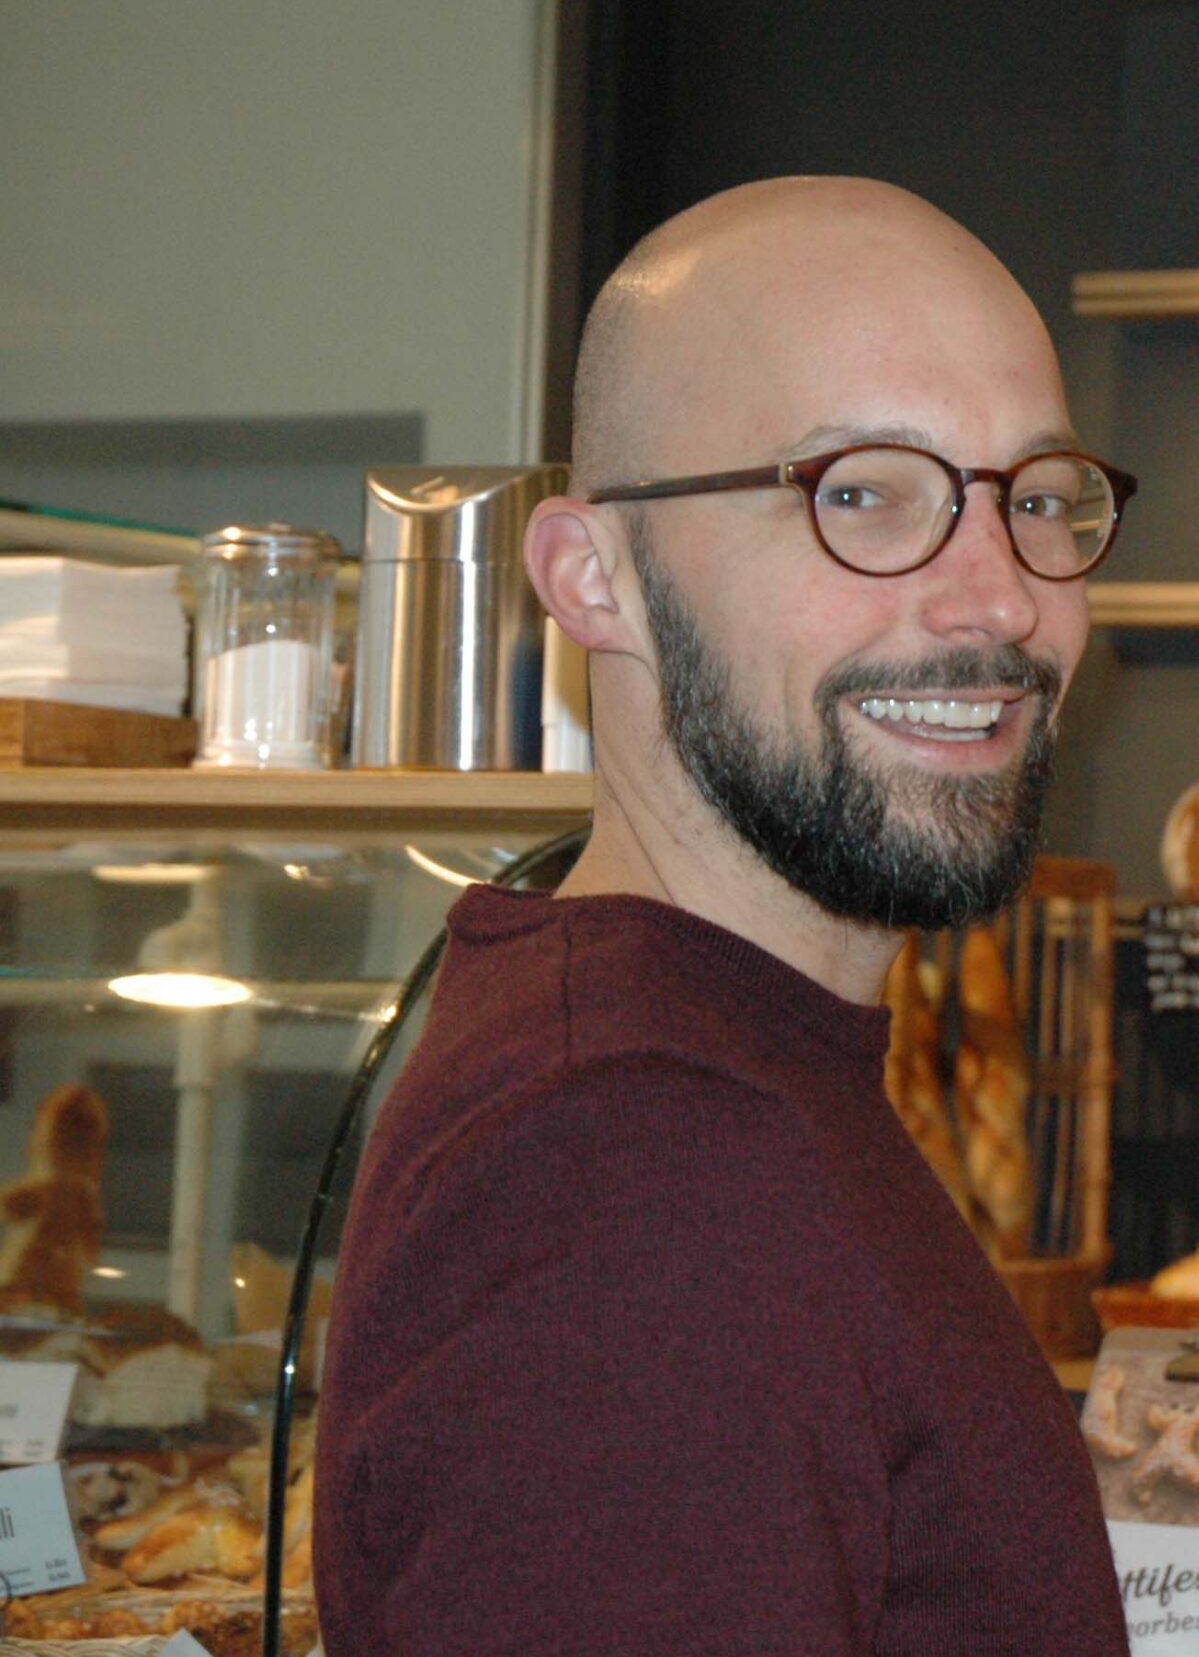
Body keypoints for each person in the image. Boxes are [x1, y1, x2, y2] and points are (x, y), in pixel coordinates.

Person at [314, 177, 1134, 1655]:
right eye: (863, 492)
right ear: (593, 577)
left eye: (1036, 498)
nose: (999, 599)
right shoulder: (641, 1170)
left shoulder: (727, 1076)